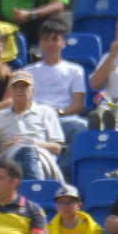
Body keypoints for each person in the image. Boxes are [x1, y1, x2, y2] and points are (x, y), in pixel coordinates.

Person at [23, 17, 87, 180]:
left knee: (82, 126)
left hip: (63, 119)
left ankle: (62, 173)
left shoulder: (75, 70)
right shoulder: (29, 71)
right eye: (46, 39)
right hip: (36, 120)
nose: (50, 44)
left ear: (63, 43)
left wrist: (58, 112)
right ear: (40, 43)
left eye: (54, 39)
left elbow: (79, 105)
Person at [0, 70, 64, 181]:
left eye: (24, 86)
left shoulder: (46, 113)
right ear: (9, 91)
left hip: (39, 158)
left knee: (28, 151)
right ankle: (35, 189)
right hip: (8, 160)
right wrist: (6, 149)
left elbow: (57, 148)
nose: (19, 90)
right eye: (15, 87)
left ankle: (33, 187)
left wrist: (35, 144)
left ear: (33, 91)